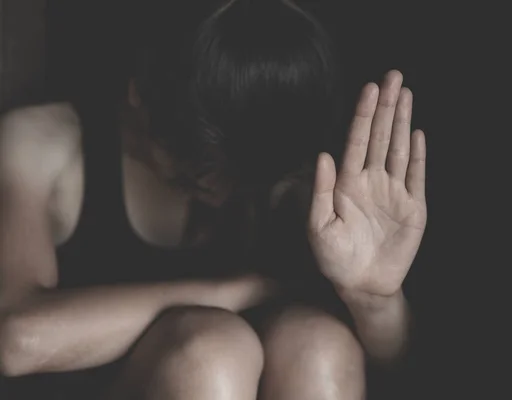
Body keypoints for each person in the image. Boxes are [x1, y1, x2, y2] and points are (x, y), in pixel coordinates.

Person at [0, 0, 427, 399]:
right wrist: (236, 293)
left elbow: (401, 369)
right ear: (139, 94)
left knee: (321, 345)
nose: (221, 195)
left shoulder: (290, 173)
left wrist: (373, 299)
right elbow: (17, 340)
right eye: (194, 173)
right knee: (213, 353)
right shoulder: (46, 145)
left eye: (238, 181)